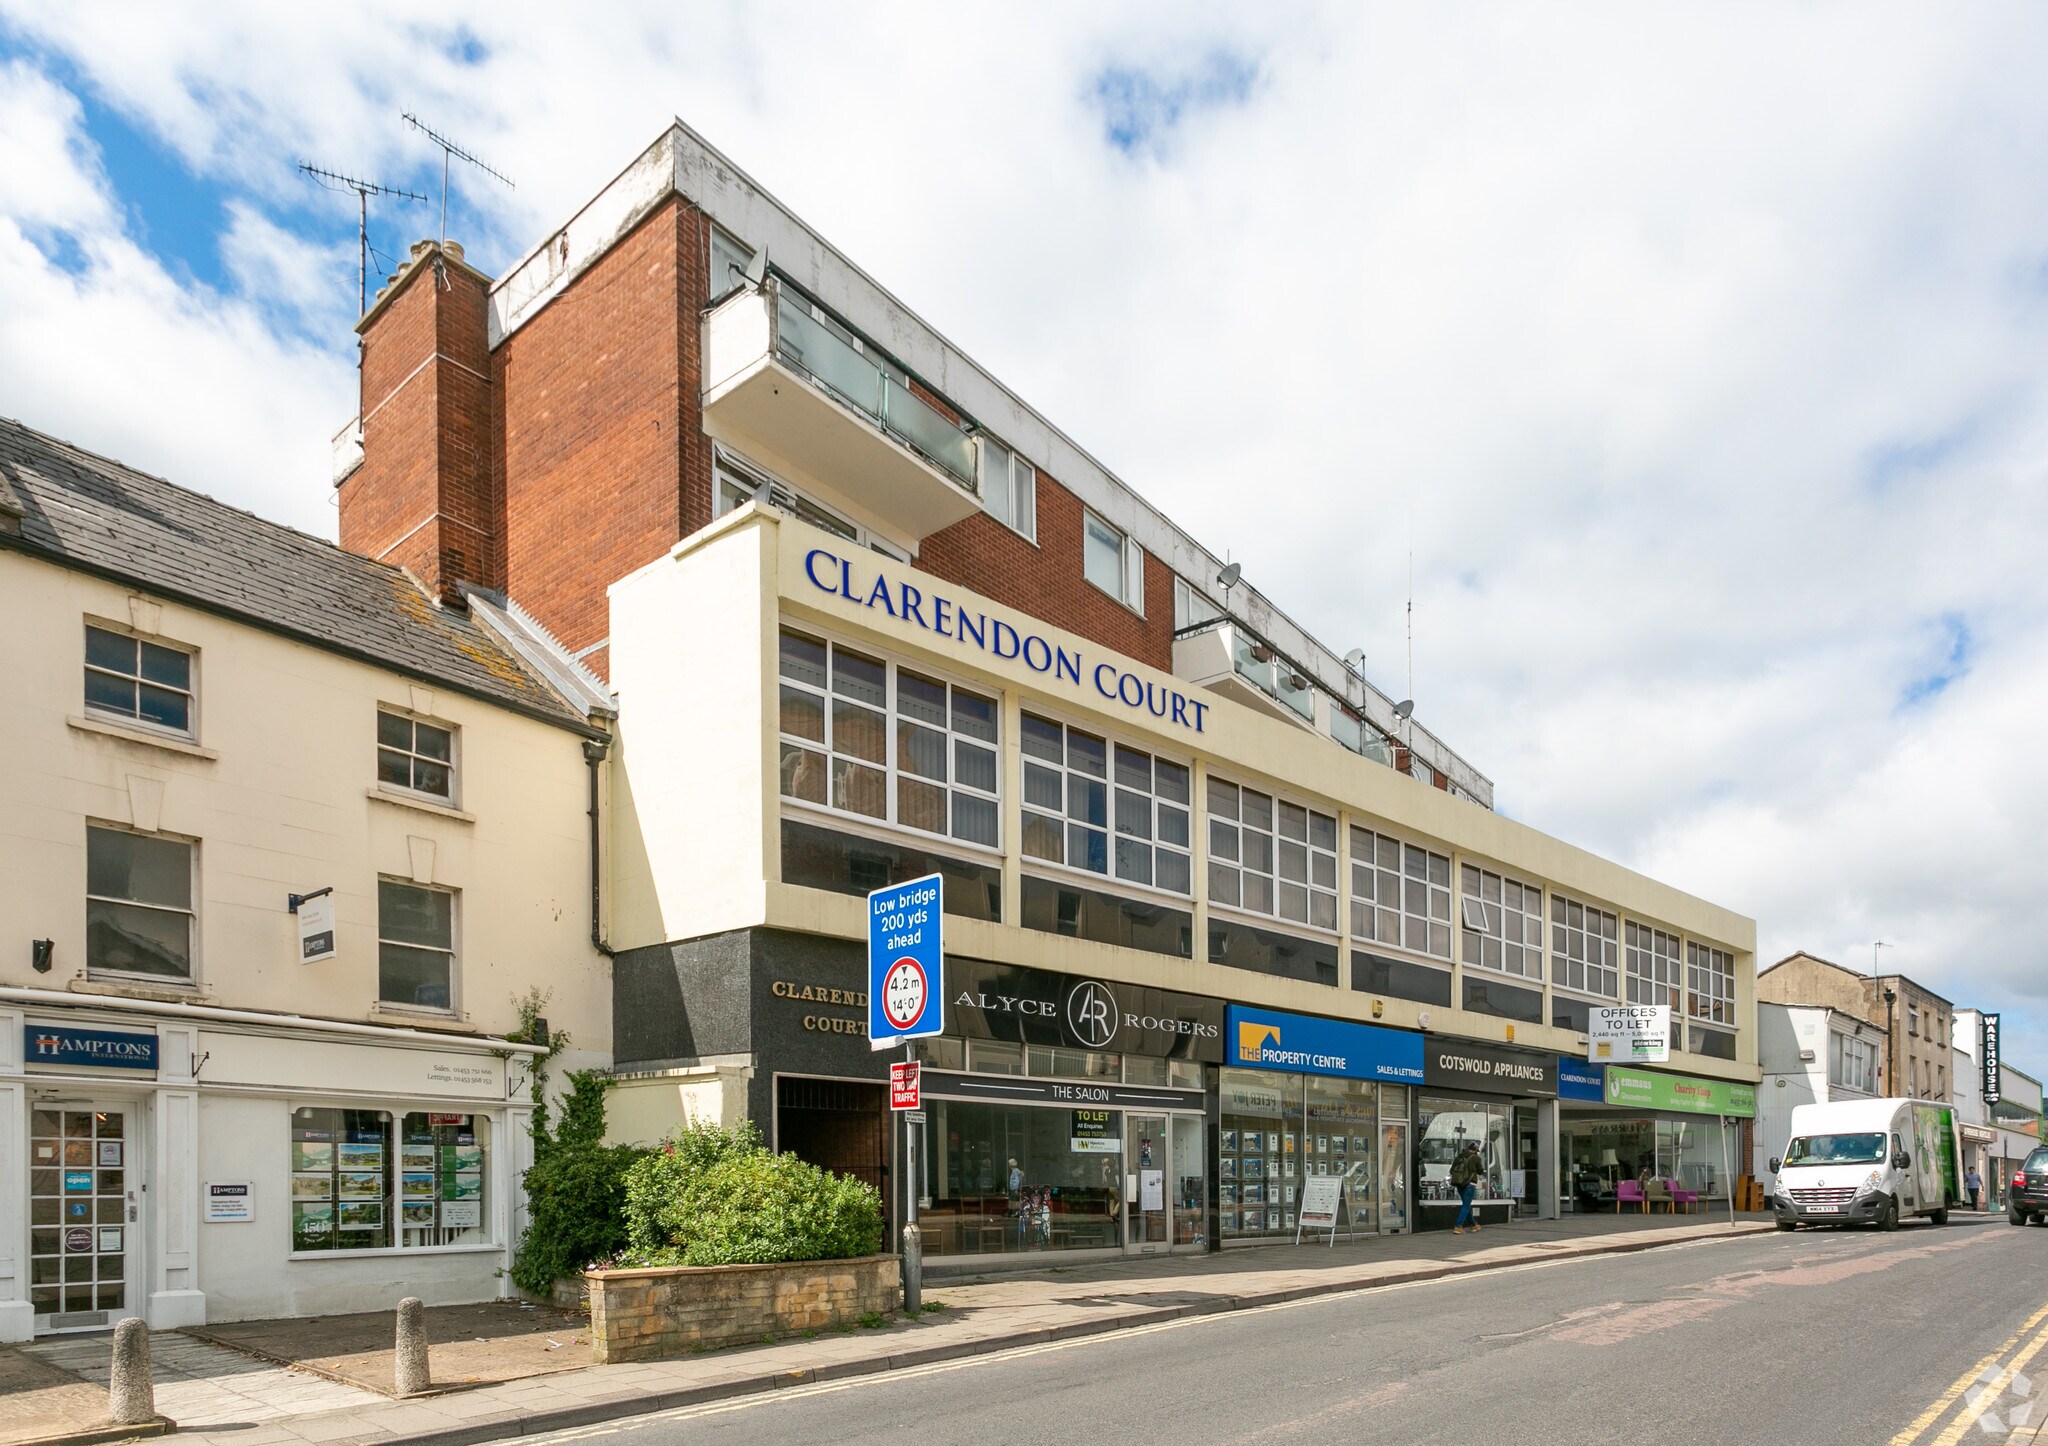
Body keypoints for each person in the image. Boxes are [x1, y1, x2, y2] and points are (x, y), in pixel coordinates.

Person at [1451, 1142, 1483, 1234]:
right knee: (1466, 1205)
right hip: (1470, 1183)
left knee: (1466, 1205)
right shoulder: (1476, 1158)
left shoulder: (1459, 1157)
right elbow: (1480, 1171)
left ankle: (1473, 1225)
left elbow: (1452, 1170)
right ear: (1475, 1150)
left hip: (1459, 1183)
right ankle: (1458, 1226)